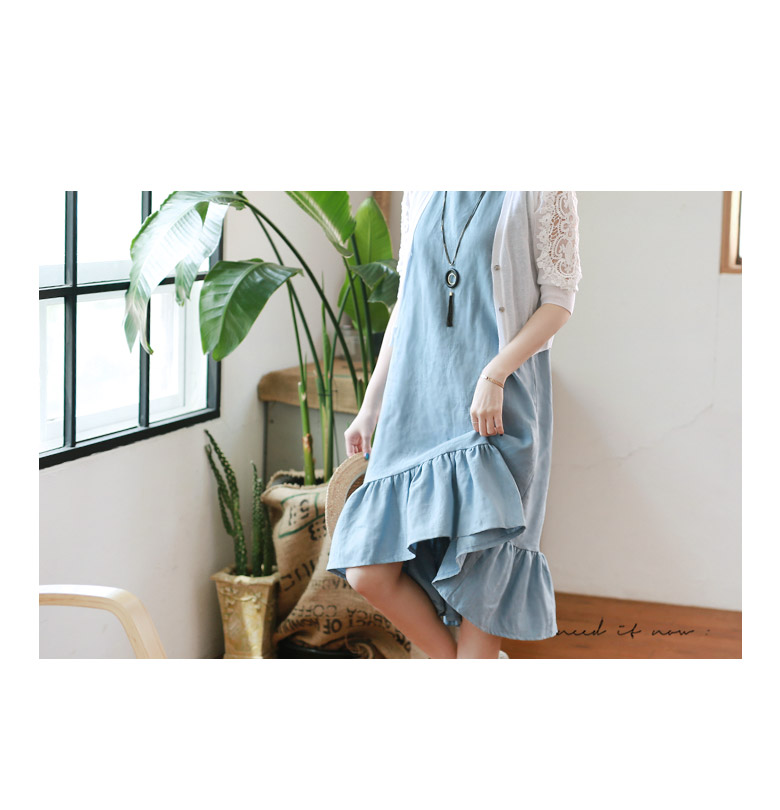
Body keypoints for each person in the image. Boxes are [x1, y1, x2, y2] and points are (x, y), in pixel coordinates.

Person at [326, 191, 582, 659]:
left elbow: (559, 302)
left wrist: (495, 372)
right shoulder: (421, 188)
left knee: (480, 592)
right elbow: (407, 303)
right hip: (415, 408)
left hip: (494, 412)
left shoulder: (542, 188)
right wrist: (371, 404)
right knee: (369, 572)